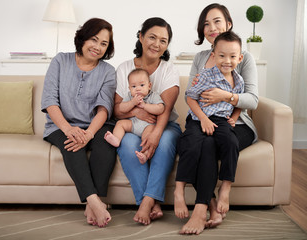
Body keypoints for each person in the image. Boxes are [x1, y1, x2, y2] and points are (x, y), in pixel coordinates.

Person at [174, 3, 259, 235]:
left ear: (228, 24)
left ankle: (201, 209)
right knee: (204, 142)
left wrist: (227, 96)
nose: (211, 27)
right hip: (206, 120)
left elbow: (252, 100)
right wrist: (201, 117)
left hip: (235, 123)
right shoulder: (201, 58)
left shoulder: (244, 57)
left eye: (217, 21)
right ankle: (209, 206)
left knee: (211, 142)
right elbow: (192, 93)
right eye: (206, 24)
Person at [41, 18, 116, 228]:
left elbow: (104, 108)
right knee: (71, 144)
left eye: (104, 43)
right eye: (94, 39)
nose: (98, 47)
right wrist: (68, 128)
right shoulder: (60, 61)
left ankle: (92, 205)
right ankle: (94, 201)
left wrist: (89, 133)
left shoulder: (108, 71)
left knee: (107, 142)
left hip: (95, 126)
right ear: (83, 38)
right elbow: (49, 101)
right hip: (60, 125)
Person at [114, 17, 181, 225]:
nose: (157, 44)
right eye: (152, 37)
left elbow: (165, 110)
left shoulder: (169, 70)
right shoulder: (124, 68)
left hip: (165, 124)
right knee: (127, 145)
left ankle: (146, 202)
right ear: (141, 37)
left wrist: (156, 134)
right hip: (134, 126)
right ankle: (153, 204)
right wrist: (136, 114)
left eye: (163, 40)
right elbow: (117, 110)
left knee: (164, 142)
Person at [105, 68, 165, 164]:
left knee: (148, 137)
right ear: (129, 88)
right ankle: (116, 139)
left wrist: (145, 106)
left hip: (148, 125)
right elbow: (121, 108)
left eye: (142, 85)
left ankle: (145, 155)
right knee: (120, 123)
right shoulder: (129, 96)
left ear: (149, 86)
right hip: (133, 123)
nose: (138, 88)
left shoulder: (153, 96)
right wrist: (132, 102)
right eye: (133, 86)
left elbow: (160, 109)